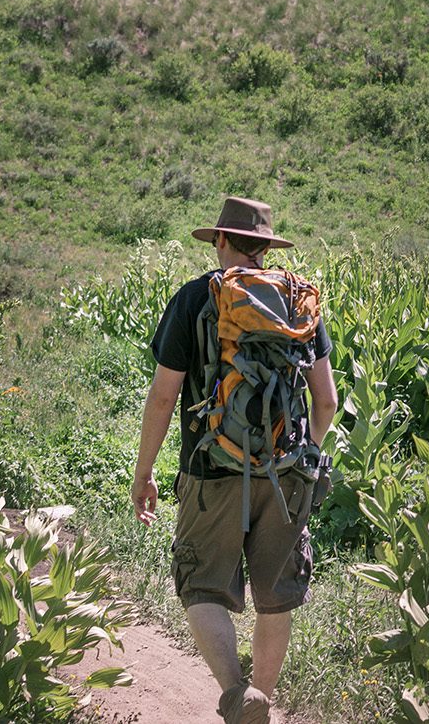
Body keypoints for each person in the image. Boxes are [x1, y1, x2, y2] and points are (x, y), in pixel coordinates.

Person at [131, 196, 338, 724]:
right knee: (277, 594)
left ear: (220, 241)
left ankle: (235, 694)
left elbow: (162, 397)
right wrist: (295, 453)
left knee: (200, 584)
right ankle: (261, 700)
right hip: (286, 472)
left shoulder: (194, 299)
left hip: (211, 468)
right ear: (266, 247)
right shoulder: (298, 302)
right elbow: (327, 401)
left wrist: (145, 471)